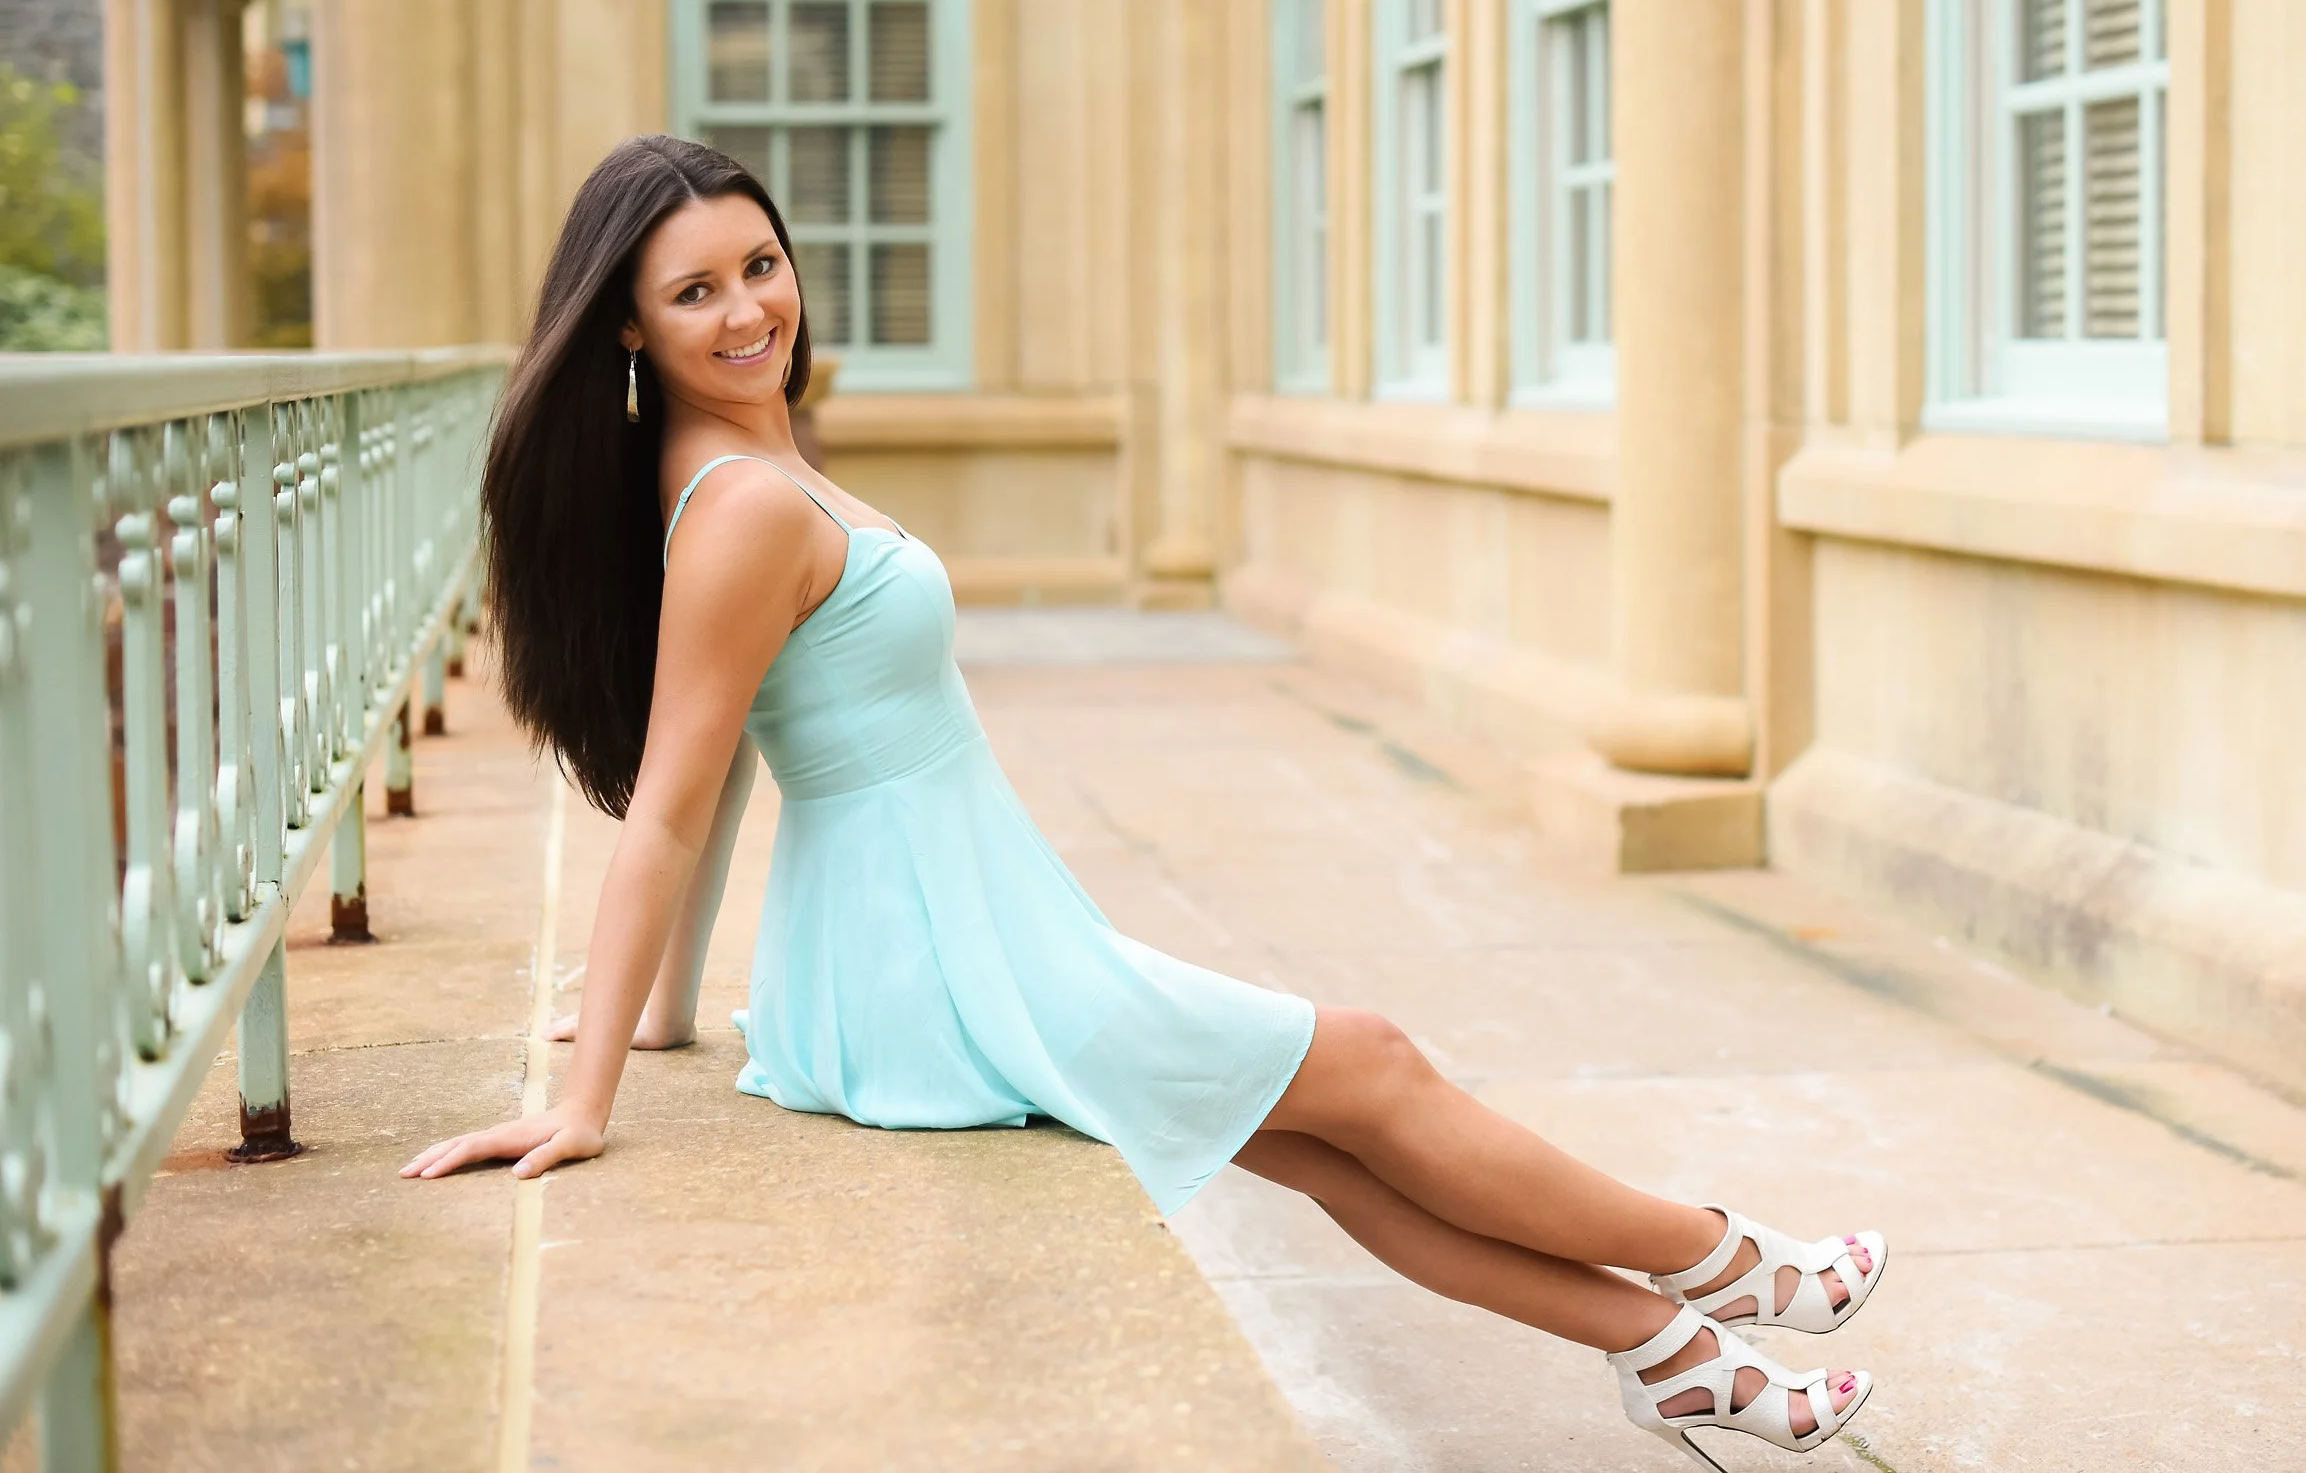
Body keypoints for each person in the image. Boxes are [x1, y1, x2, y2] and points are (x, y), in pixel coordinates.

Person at [402, 137, 1885, 1466]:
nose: (748, 314)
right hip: (943, 965)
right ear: (626, 325)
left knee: (1317, 1141)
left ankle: (1671, 1353)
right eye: (696, 294)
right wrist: (584, 1097)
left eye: (762, 265)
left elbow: (719, 778)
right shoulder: (741, 507)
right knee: (1368, 1066)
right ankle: (1731, 1262)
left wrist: (662, 1019)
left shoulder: (736, 462)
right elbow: (672, 801)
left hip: (940, 936)